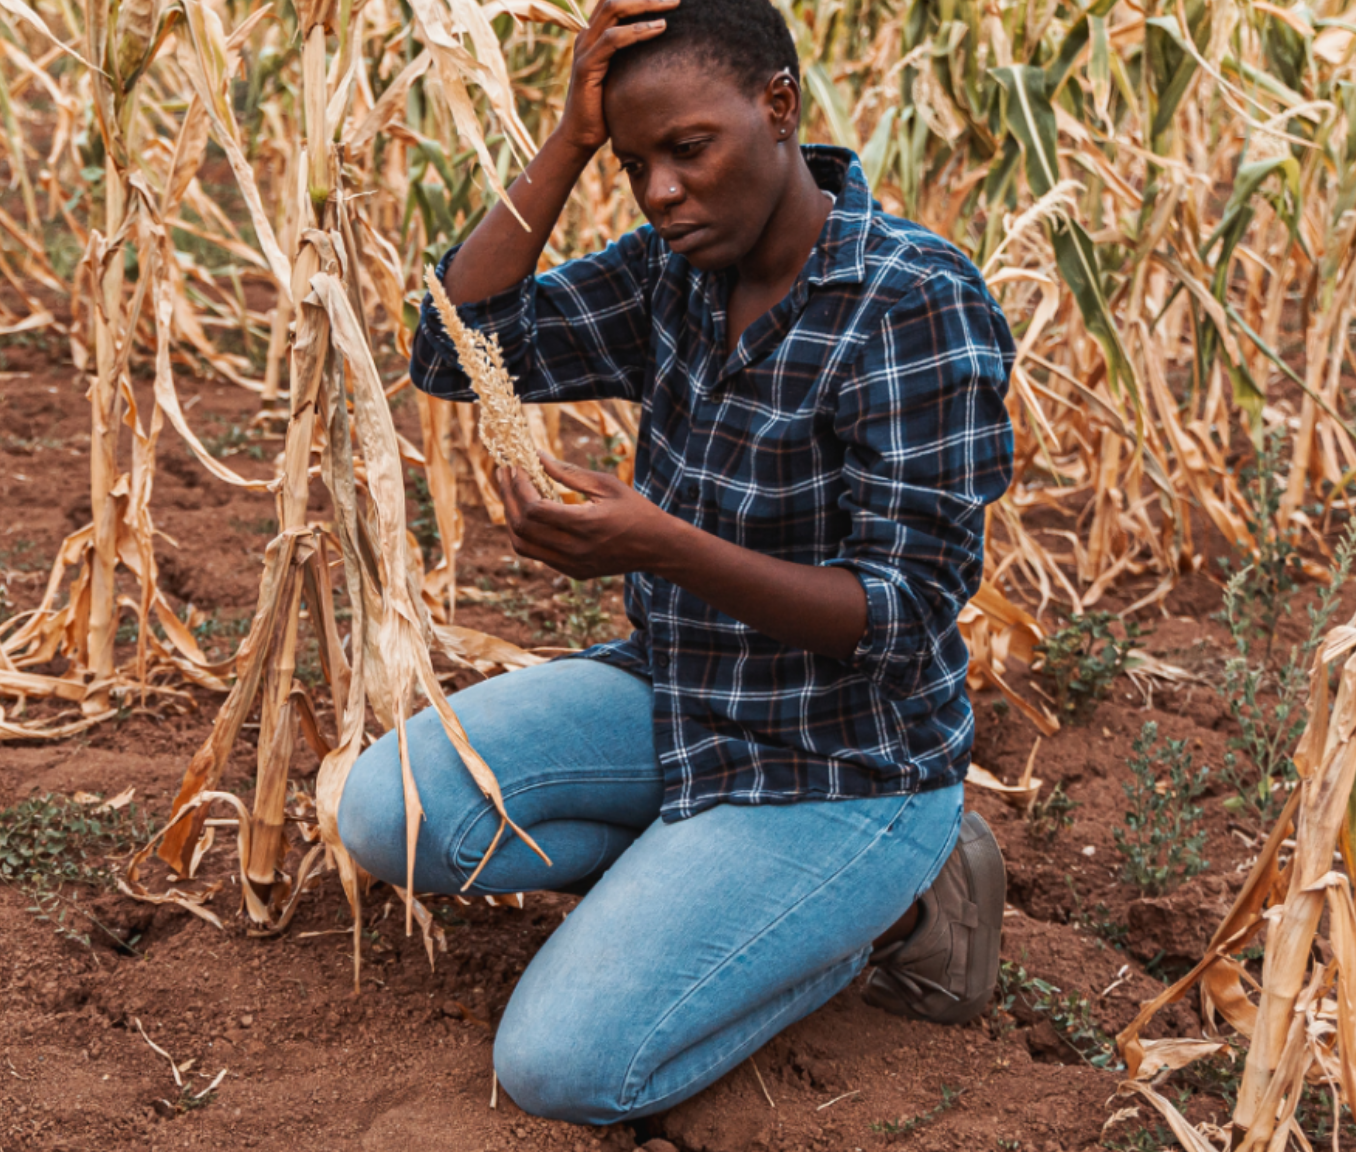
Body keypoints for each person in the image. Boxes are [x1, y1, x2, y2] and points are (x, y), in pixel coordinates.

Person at [334, 0, 1017, 1128]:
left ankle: (895, 907)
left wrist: (664, 544)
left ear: (777, 107)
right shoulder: (674, 271)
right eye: (633, 162)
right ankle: (713, 891)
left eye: (687, 150)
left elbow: (900, 616)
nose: (659, 192)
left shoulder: (909, 303)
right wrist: (566, 140)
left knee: (564, 1069)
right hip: (679, 693)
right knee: (389, 813)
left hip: (842, 761)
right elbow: (452, 351)